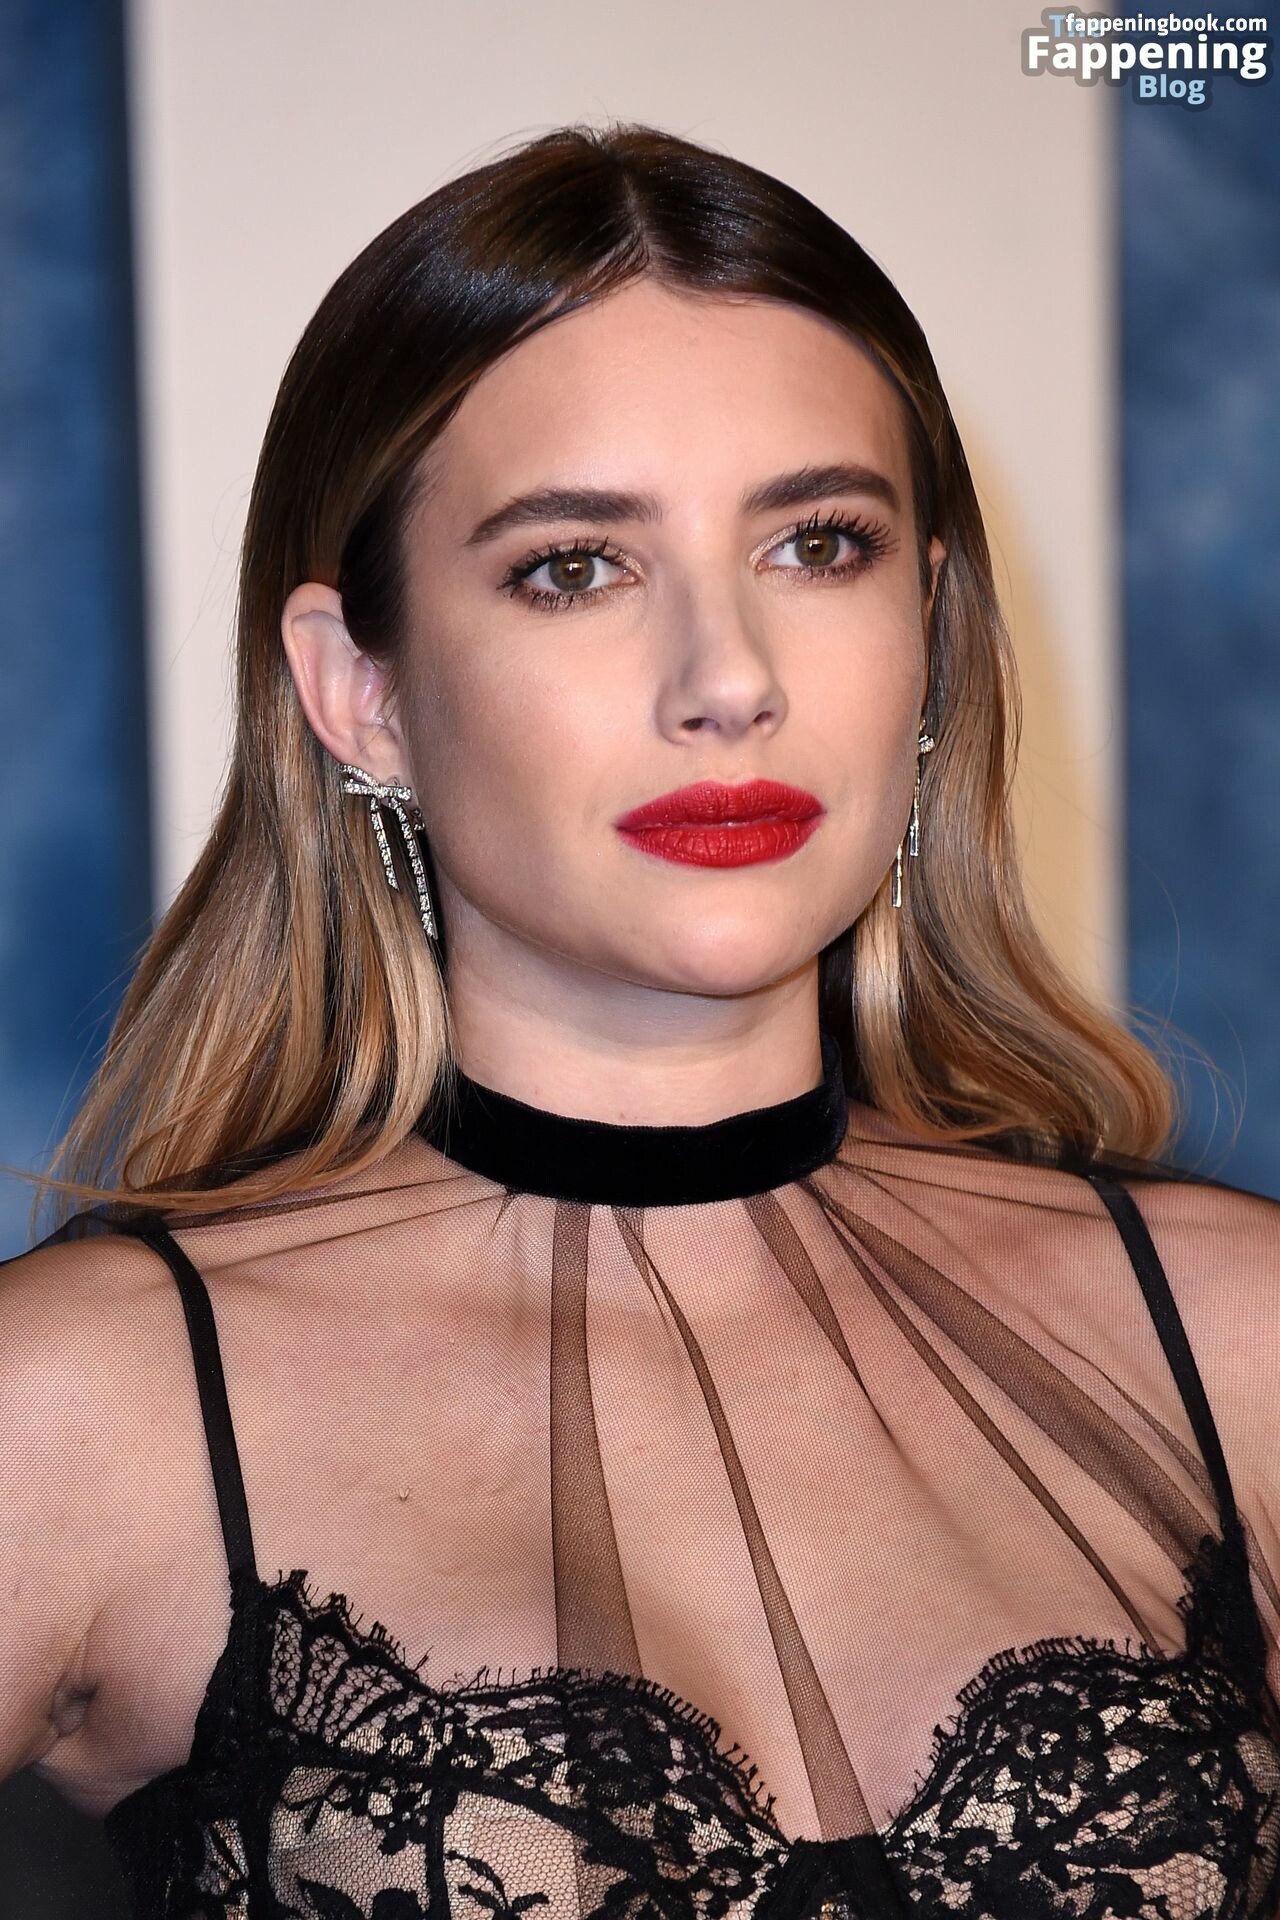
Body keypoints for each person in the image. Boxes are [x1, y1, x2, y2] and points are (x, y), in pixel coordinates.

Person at [2, 119, 1278, 1920]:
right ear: (361, 695)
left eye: (818, 544)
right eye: (573, 568)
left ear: (928, 629)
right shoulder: (83, 1408)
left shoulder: (1236, 1339)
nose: (730, 679)